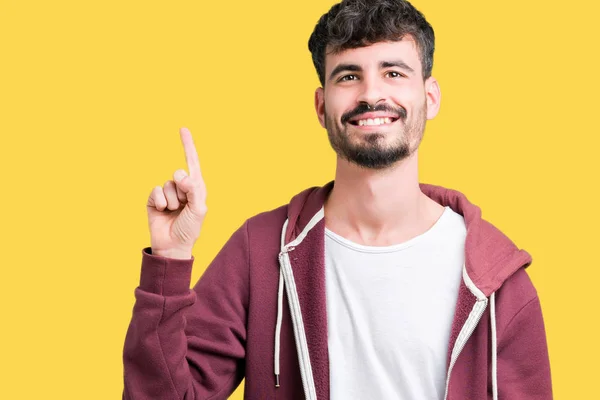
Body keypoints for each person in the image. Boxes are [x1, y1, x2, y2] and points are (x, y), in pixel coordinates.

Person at [122, 0, 553, 399]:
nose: (371, 94)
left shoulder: (497, 283)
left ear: (431, 96)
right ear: (321, 105)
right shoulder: (260, 251)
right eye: (348, 76)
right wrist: (170, 260)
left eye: (394, 73)